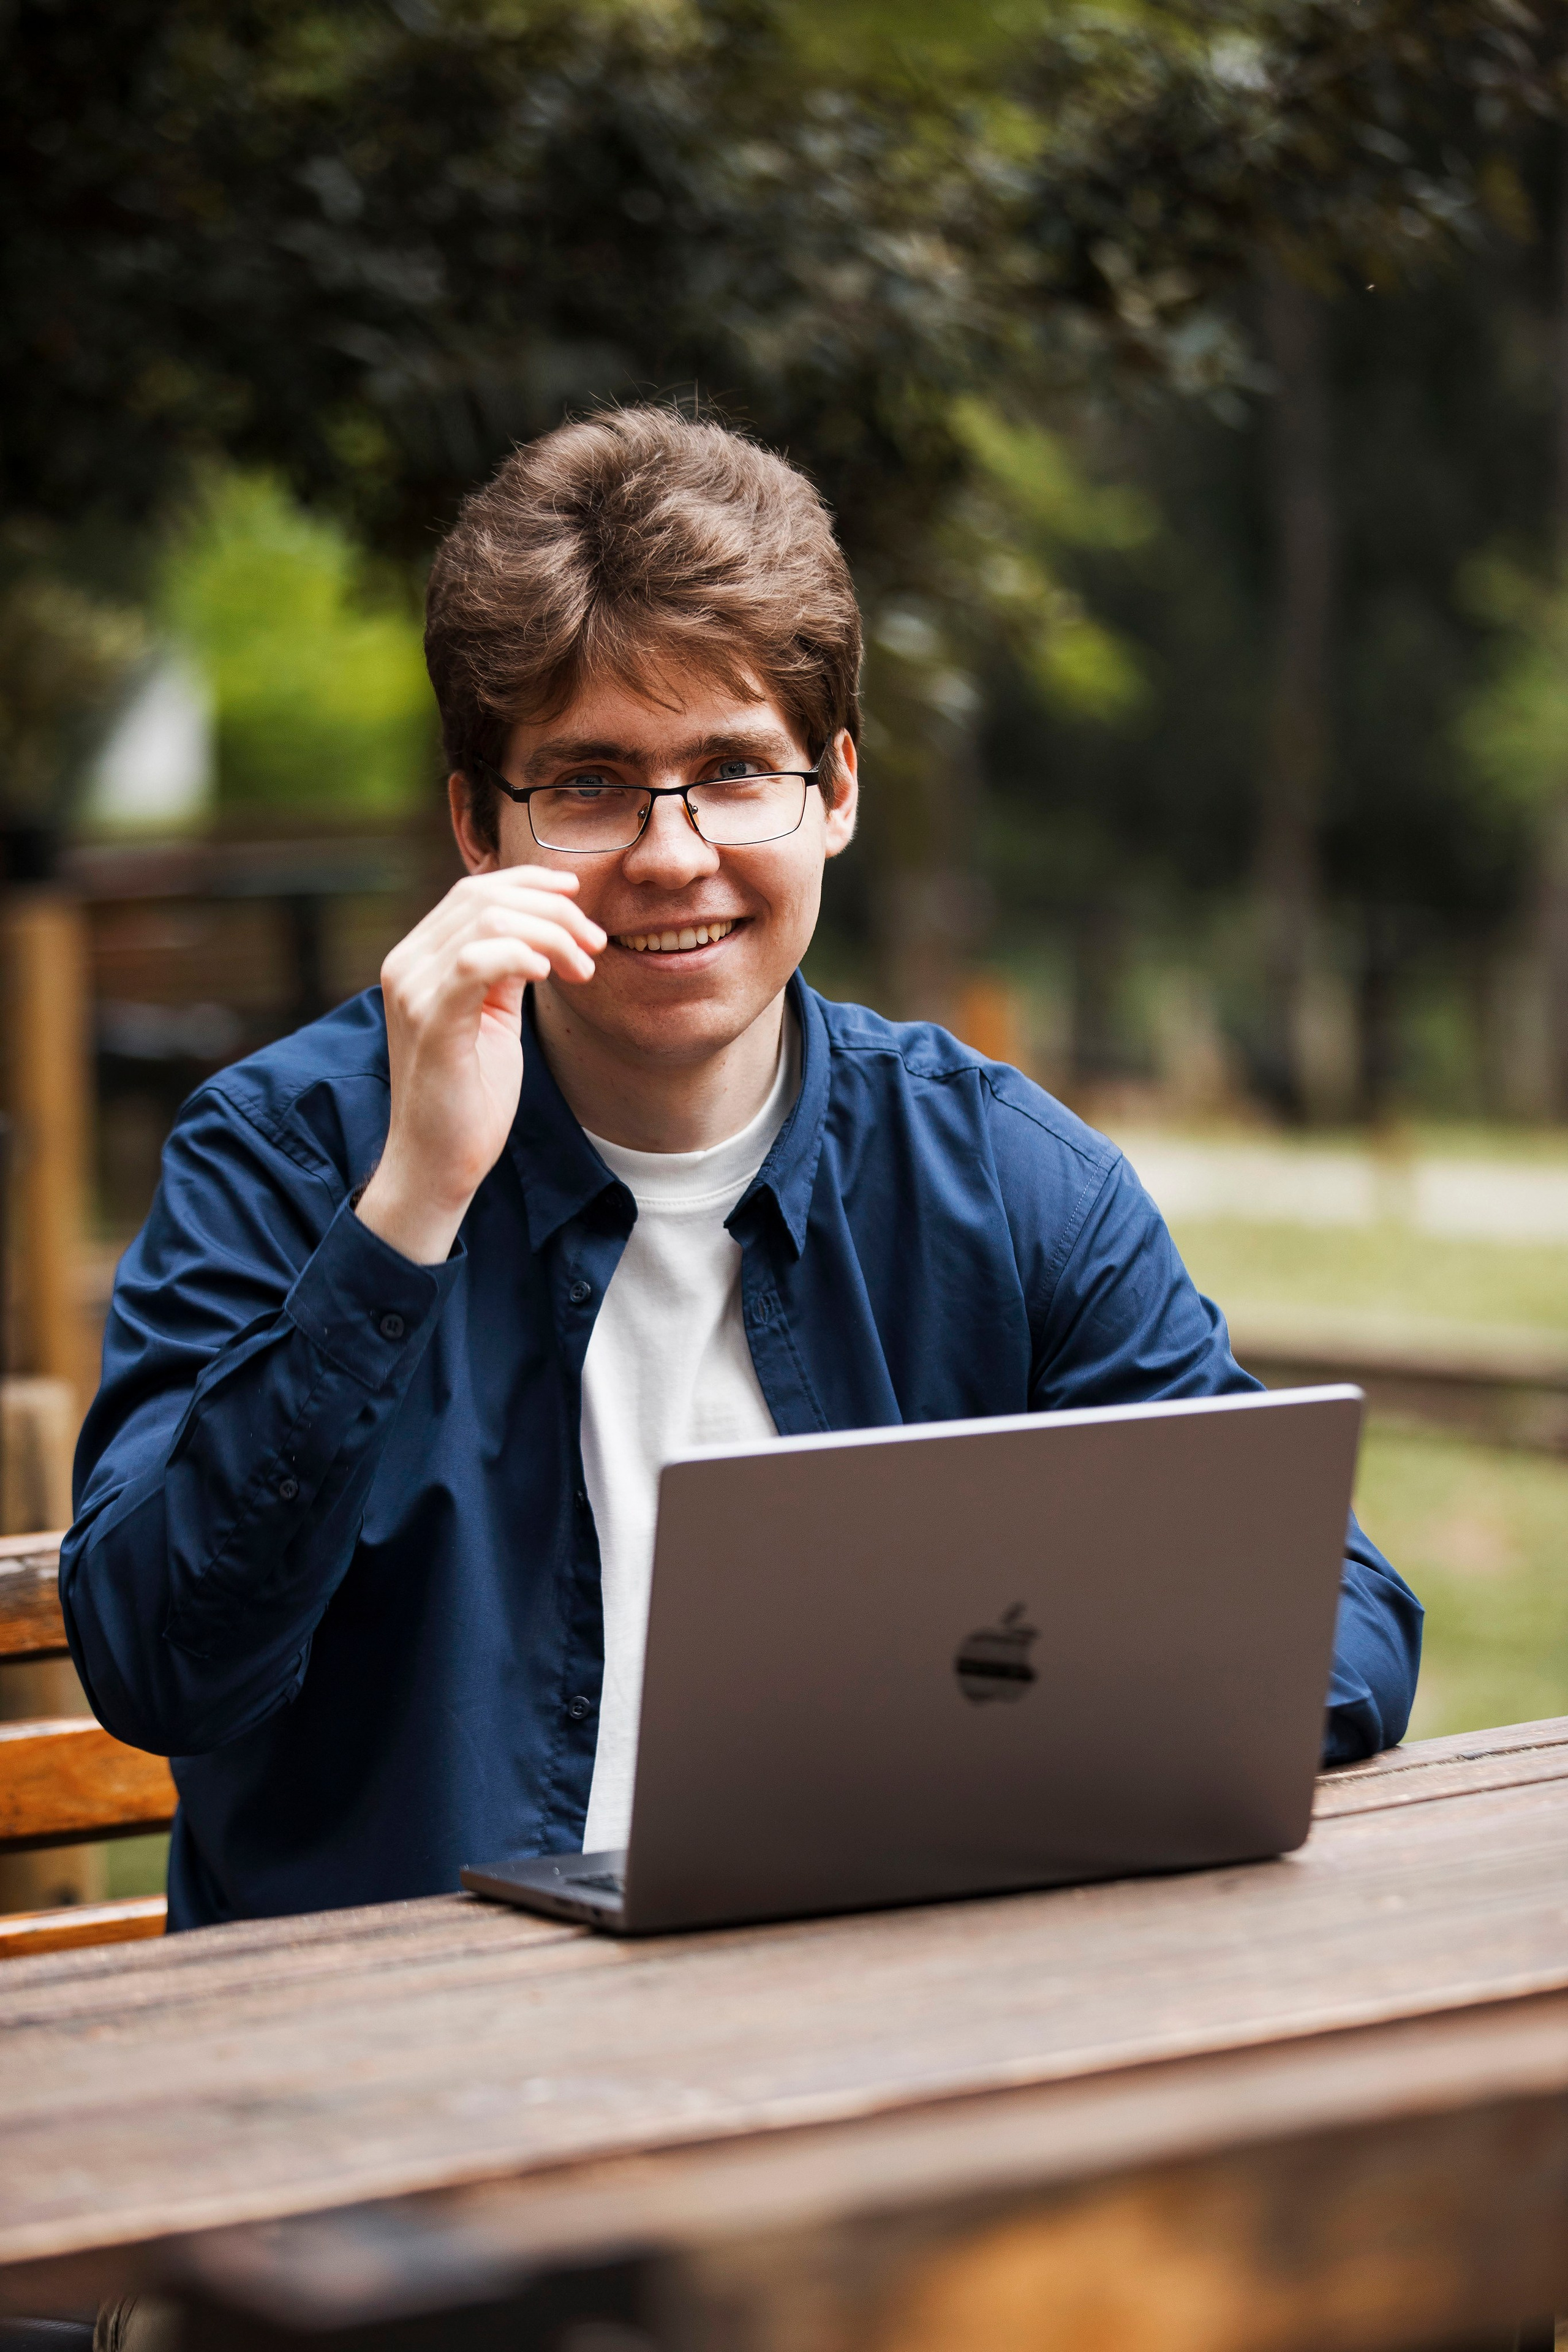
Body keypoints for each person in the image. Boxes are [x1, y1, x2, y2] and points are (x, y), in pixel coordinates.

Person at [59, 407, 1422, 1931]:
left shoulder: (999, 1176)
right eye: (585, 785)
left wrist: (1010, 1760)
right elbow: (160, 1660)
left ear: (833, 793)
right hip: (396, 2069)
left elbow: (1337, 1616)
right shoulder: (288, 1151)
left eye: (732, 770)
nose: (669, 852)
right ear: (473, 823)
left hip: (857, 2017)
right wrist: (411, 1208)